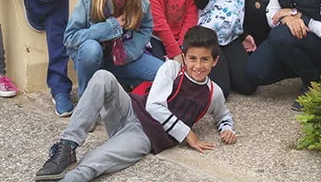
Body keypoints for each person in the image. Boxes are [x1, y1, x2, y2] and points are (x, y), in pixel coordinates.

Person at [34, 26, 236, 182]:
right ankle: (68, 145)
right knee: (103, 76)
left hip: (145, 136)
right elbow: (154, 106)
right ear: (183, 57)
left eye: (205, 60)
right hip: (129, 110)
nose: (198, 66)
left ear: (215, 61)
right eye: (192, 58)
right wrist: (188, 135)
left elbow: (223, 115)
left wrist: (226, 129)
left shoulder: (213, 93)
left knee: (95, 163)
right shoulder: (172, 69)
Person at [64, 0, 162, 97]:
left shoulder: (141, 2)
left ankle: (119, 83)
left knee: (162, 73)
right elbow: (70, 37)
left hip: (122, 57)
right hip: (93, 59)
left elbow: (145, 29)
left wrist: (128, 53)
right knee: (91, 49)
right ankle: (87, 98)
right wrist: (110, 27)